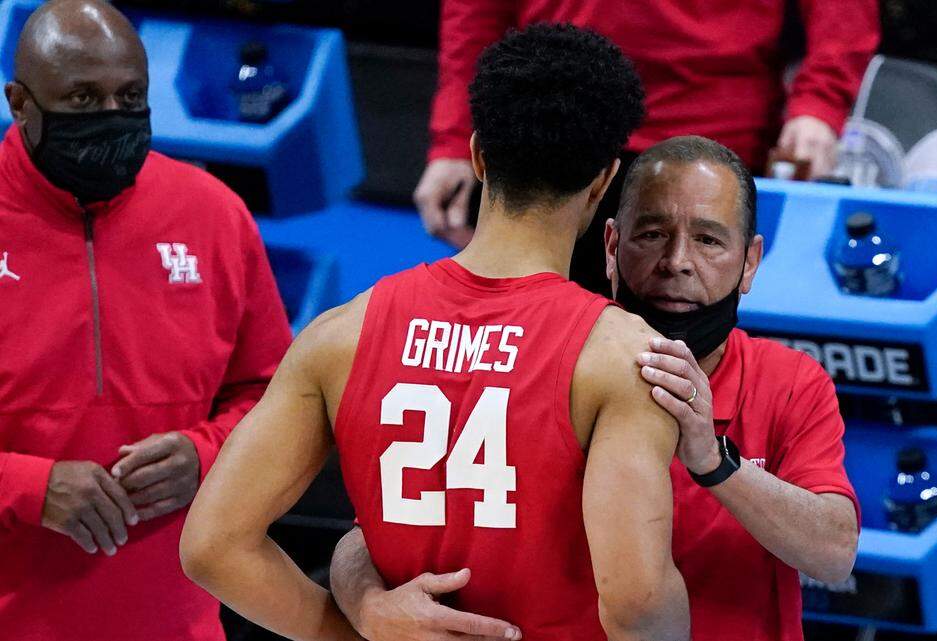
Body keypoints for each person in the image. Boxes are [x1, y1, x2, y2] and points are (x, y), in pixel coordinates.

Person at [180, 24, 690, 641]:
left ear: (477, 155)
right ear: (605, 181)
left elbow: (212, 547)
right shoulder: (626, 358)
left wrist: (353, 633)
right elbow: (635, 604)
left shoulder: (341, 333)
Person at [330, 136, 860, 641]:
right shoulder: (534, 359)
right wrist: (366, 604)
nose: (677, 261)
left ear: (750, 261)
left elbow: (834, 552)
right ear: (611, 246)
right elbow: (372, 532)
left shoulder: (791, 381)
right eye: (651, 235)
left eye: (708, 240)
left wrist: (716, 463)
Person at [0, 1, 293, 640]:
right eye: (81, 99)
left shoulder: (213, 214)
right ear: (19, 103)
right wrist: (23, 485)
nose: (111, 117)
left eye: (130, 95)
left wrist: (206, 453)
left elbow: (274, 398)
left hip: (174, 621)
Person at [415, 0, 880, 295]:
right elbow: (473, 14)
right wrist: (453, 139)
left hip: (711, 140)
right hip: (554, 135)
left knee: (684, 375)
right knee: (533, 362)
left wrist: (819, 104)